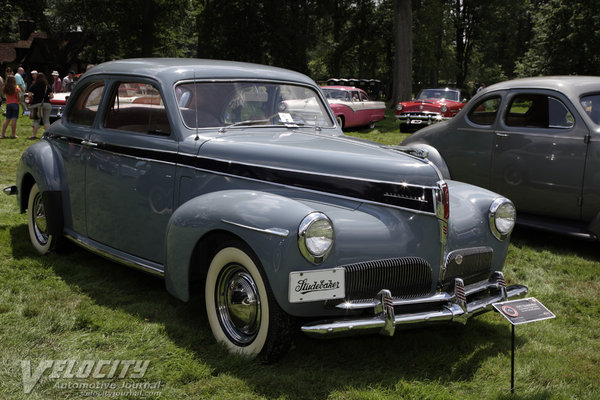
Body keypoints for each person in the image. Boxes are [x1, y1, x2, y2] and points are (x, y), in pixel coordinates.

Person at [28, 72, 54, 140]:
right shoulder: (47, 85)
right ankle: (48, 136)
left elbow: (29, 95)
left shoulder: (34, 85)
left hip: (37, 104)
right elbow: (51, 96)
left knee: (36, 120)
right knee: (46, 120)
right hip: (47, 104)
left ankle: (34, 135)